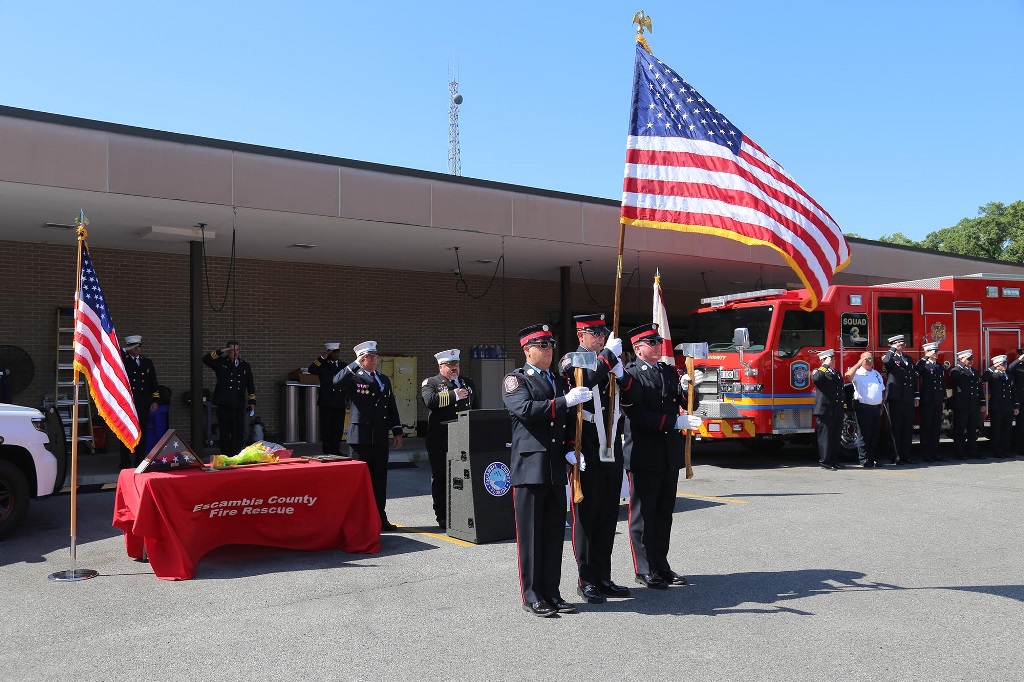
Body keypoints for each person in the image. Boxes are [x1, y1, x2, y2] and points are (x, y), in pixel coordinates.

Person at [503, 324, 591, 617]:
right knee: (530, 535)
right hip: (530, 467)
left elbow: (565, 421)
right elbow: (527, 410)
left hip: (554, 466)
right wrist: (564, 401)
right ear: (527, 350)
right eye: (542, 346)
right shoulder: (516, 380)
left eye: (551, 345)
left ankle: (552, 592)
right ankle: (532, 595)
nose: (548, 351)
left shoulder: (556, 379)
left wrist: (570, 448)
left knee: (554, 534)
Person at [621, 323, 701, 590]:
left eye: (658, 341)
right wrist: (674, 423)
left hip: (668, 455)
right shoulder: (633, 375)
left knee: (664, 513)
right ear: (638, 348)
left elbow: (687, 402)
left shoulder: (668, 372)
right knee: (643, 515)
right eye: (651, 342)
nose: (658, 345)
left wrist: (690, 387)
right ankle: (644, 569)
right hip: (644, 454)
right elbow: (638, 416)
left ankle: (661, 564)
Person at [558, 313, 631, 604]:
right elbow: (586, 381)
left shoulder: (610, 359)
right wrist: (608, 359)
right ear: (581, 336)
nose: (600, 338)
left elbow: (630, 395)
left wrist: (622, 371)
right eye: (594, 333)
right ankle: (586, 578)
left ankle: (603, 575)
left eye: (603, 333)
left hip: (612, 444)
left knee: (608, 515)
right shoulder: (573, 359)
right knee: (587, 516)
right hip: (586, 444)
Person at [333, 341, 404, 531]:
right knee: (359, 482)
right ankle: (357, 520)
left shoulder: (383, 379)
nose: (375, 360)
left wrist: (397, 430)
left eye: (376, 356)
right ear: (362, 359)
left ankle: (381, 517)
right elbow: (337, 381)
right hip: (361, 438)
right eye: (370, 357)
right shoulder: (355, 377)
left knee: (380, 481)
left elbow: (391, 406)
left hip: (380, 437)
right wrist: (354, 364)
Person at [421, 348, 477, 529]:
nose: (454, 368)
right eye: (450, 364)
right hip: (441, 439)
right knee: (441, 477)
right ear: (441, 366)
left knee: (464, 477)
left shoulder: (467, 383)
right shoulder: (431, 382)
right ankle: (442, 515)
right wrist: (454, 395)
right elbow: (429, 401)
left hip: (464, 437)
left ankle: (462, 513)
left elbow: (475, 407)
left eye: (456, 364)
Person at [202, 341, 255, 457]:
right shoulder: (221, 363)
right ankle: (225, 455)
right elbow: (206, 359)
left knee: (238, 432)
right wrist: (219, 352)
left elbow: (250, 384)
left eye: (237, 350)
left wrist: (252, 401)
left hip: (238, 403)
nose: (235, 353)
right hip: (224, 403)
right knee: (225, 431)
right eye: (232, 350)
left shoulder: (245, 365)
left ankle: (236, 454)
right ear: (227, 351)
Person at [120, 335, 160, 468]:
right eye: (134, 346)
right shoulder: (123, 360)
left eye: (139, 346)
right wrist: (126, 350)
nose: (137, 348)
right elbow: (114, 355)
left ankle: (140, 460)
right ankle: (125, 461)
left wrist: (154, 400)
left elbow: (153, 383)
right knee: (125, 431)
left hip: (143, 402)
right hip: (128, 403)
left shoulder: (147, 362)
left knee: (142, 431)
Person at [882, 335, 918, 464]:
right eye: (899, 344)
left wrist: (916, 395)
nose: (902, 346)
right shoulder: (891, 357)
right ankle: (896, 456)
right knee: (895, 428)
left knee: (907, 428)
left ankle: (906, 455)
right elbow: (886, 362)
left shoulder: (908, 358)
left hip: (907, 397)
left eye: (903, 344)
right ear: (893, 345)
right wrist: (892, 349)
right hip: (896, 397)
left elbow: (913, 378)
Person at [845, 351, 884, 468]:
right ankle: (864, 459)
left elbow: (881, 391)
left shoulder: (876, 374)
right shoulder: (858, 373)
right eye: (866, 359)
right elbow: (848, 376)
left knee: (874, 435)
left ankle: (873, 459)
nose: (869, 361)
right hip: (863, 407)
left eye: (871, 359)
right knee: (864, 435)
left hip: (876, 408)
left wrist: (881, 407)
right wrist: (858, 363)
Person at [308, 342, 346, 455]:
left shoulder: (343, 365)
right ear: (329, 353)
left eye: (337, 351)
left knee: (338, 428)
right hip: (327, 401)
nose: (335, 354)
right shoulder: (323, 365)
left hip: (339, 401)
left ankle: (336, 450)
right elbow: (311, 369)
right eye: (333, 352)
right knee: (327, 428)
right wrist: (322, 357)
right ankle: (327, 450)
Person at [812, 349, 846, 470]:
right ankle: (825, 461)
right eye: (831, 359)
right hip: (825, 410)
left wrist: (843, 408)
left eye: (833, 359)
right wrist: (825, 365)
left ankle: (834, 460)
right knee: (826, 437)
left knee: (836, 437)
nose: (833, 361)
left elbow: (841, 391)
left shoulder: (836, 373)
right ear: (823, 360)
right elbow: (816, 379)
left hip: (836, 409)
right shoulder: (819, 372)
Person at [915, 342, 947, 462]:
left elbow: (942, 385)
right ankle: (926, 453)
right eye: (934, 352)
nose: (936, 354)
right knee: (926, 427)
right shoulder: (923, 365)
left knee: (936, 428)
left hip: (937, 400)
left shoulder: (939, 366)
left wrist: (943, 399)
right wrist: (925, 358)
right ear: (928, 352)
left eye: (937, 351)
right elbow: (917, 372)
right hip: (927, 400)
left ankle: (935, 452)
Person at [949, 349, 982, 460]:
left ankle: (973, 451)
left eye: (972, 359)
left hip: (973, 405)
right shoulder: (957, 370)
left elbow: (979, 389)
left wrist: (982, 402)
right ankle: (960, 452)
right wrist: (961, 364)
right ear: (961, 359)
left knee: (972, 430)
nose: (971, 361)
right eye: (969, 359)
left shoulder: (974, 372)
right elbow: (953, 375)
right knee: (960, 430)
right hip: (961, 405)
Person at [982, 355, 1017, 458]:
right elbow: (984, 378)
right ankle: (996, 450)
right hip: (997, 406)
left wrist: (1016, 405)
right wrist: (993, 367)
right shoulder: (993, 375)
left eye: (1005, 363)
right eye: (1002, 364)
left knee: (1007, 429)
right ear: (997, 365)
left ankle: (1005, 450)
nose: (1004, 366)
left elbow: (1013, 391)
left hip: (1008, 406)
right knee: (997, 429)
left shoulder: (1009, 375)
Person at [1008, 348, 1024, 456]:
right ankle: (1021, 448)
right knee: (1021, 426)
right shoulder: (1017, 367)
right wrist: (1020, 359)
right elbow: (1010, 368)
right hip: (1021, 400)